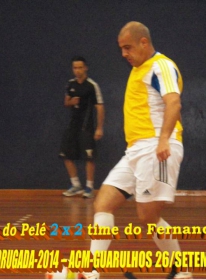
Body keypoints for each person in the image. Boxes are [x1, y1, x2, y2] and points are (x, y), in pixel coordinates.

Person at [81, 22, 192, 279]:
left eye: (128, 47)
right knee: (103, 203)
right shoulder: (138, 69)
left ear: (144, 42)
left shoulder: (161, 66)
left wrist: (164, 139)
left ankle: (182, 271)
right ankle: (92, 271)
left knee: (148, 216)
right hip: (135, 151)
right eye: (121, 49)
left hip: (156, 148)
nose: (124, 54)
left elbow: (174, 103)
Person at [59, 56, 105, 198]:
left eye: (80, 67)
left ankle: (89, 187)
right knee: (65, 154)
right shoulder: (70, 84)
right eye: (75, 68)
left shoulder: (92, 85)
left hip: (87, 126)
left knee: (89, 157)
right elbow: (66, 103)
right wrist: (71, 102)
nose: (77, 70)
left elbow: (100, 107)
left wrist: (99, 128)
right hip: (73, 124)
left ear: (85, 68)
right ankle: (76, 184)